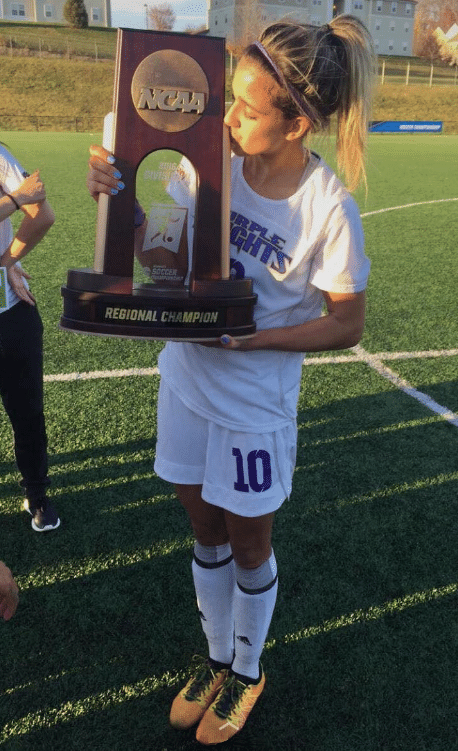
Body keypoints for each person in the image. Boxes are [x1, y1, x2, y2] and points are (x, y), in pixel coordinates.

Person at [87, 16, 374, 744]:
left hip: (253, 408)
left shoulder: (327, 207)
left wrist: (255, 339)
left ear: (297, 122)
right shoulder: (210, 157)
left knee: (248, 545)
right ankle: (216, 657)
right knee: (203, 530)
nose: (229, 116)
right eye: (231, 101)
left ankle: (248, 669)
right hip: (185, 381)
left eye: (247, 108)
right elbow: (156, 232)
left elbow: (347, 324)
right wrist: (111, 178)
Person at [0, 144, 60, 532]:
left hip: (12, 312)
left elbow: (43, 213)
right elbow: (28, 199)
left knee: (28, 414)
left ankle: (36, 493)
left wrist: (7, 260)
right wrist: (15, 198)